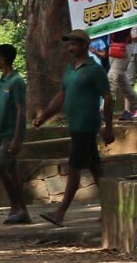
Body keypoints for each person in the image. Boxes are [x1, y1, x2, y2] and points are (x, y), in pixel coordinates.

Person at [32, 29, 115, 227]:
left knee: (74, 168)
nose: (70, 47)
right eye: (69, 44)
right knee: (96, 169)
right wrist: (44, 116)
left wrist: (109, 127)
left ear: (85, 45)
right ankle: (111, 208)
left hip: (86, 125)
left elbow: (108, 97)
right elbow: (62, 95)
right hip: (75, 124)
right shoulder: (70, 68)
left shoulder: (95, 70)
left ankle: (60, 213)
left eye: (74, 44)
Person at [0, 44, 29, 225]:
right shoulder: (0, 83)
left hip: (11, 133)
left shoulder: (17, 82)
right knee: (11, 171)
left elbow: (21, 110)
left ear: (3, 59)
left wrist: (17, 138)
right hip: (1, 134)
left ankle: (17, 207)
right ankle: (21, 211)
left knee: (0, 168)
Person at [108, 28, 137, 120]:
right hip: (113, 46)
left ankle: (105, 109)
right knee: (121, 81)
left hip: (125, 46)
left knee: (112, 76)